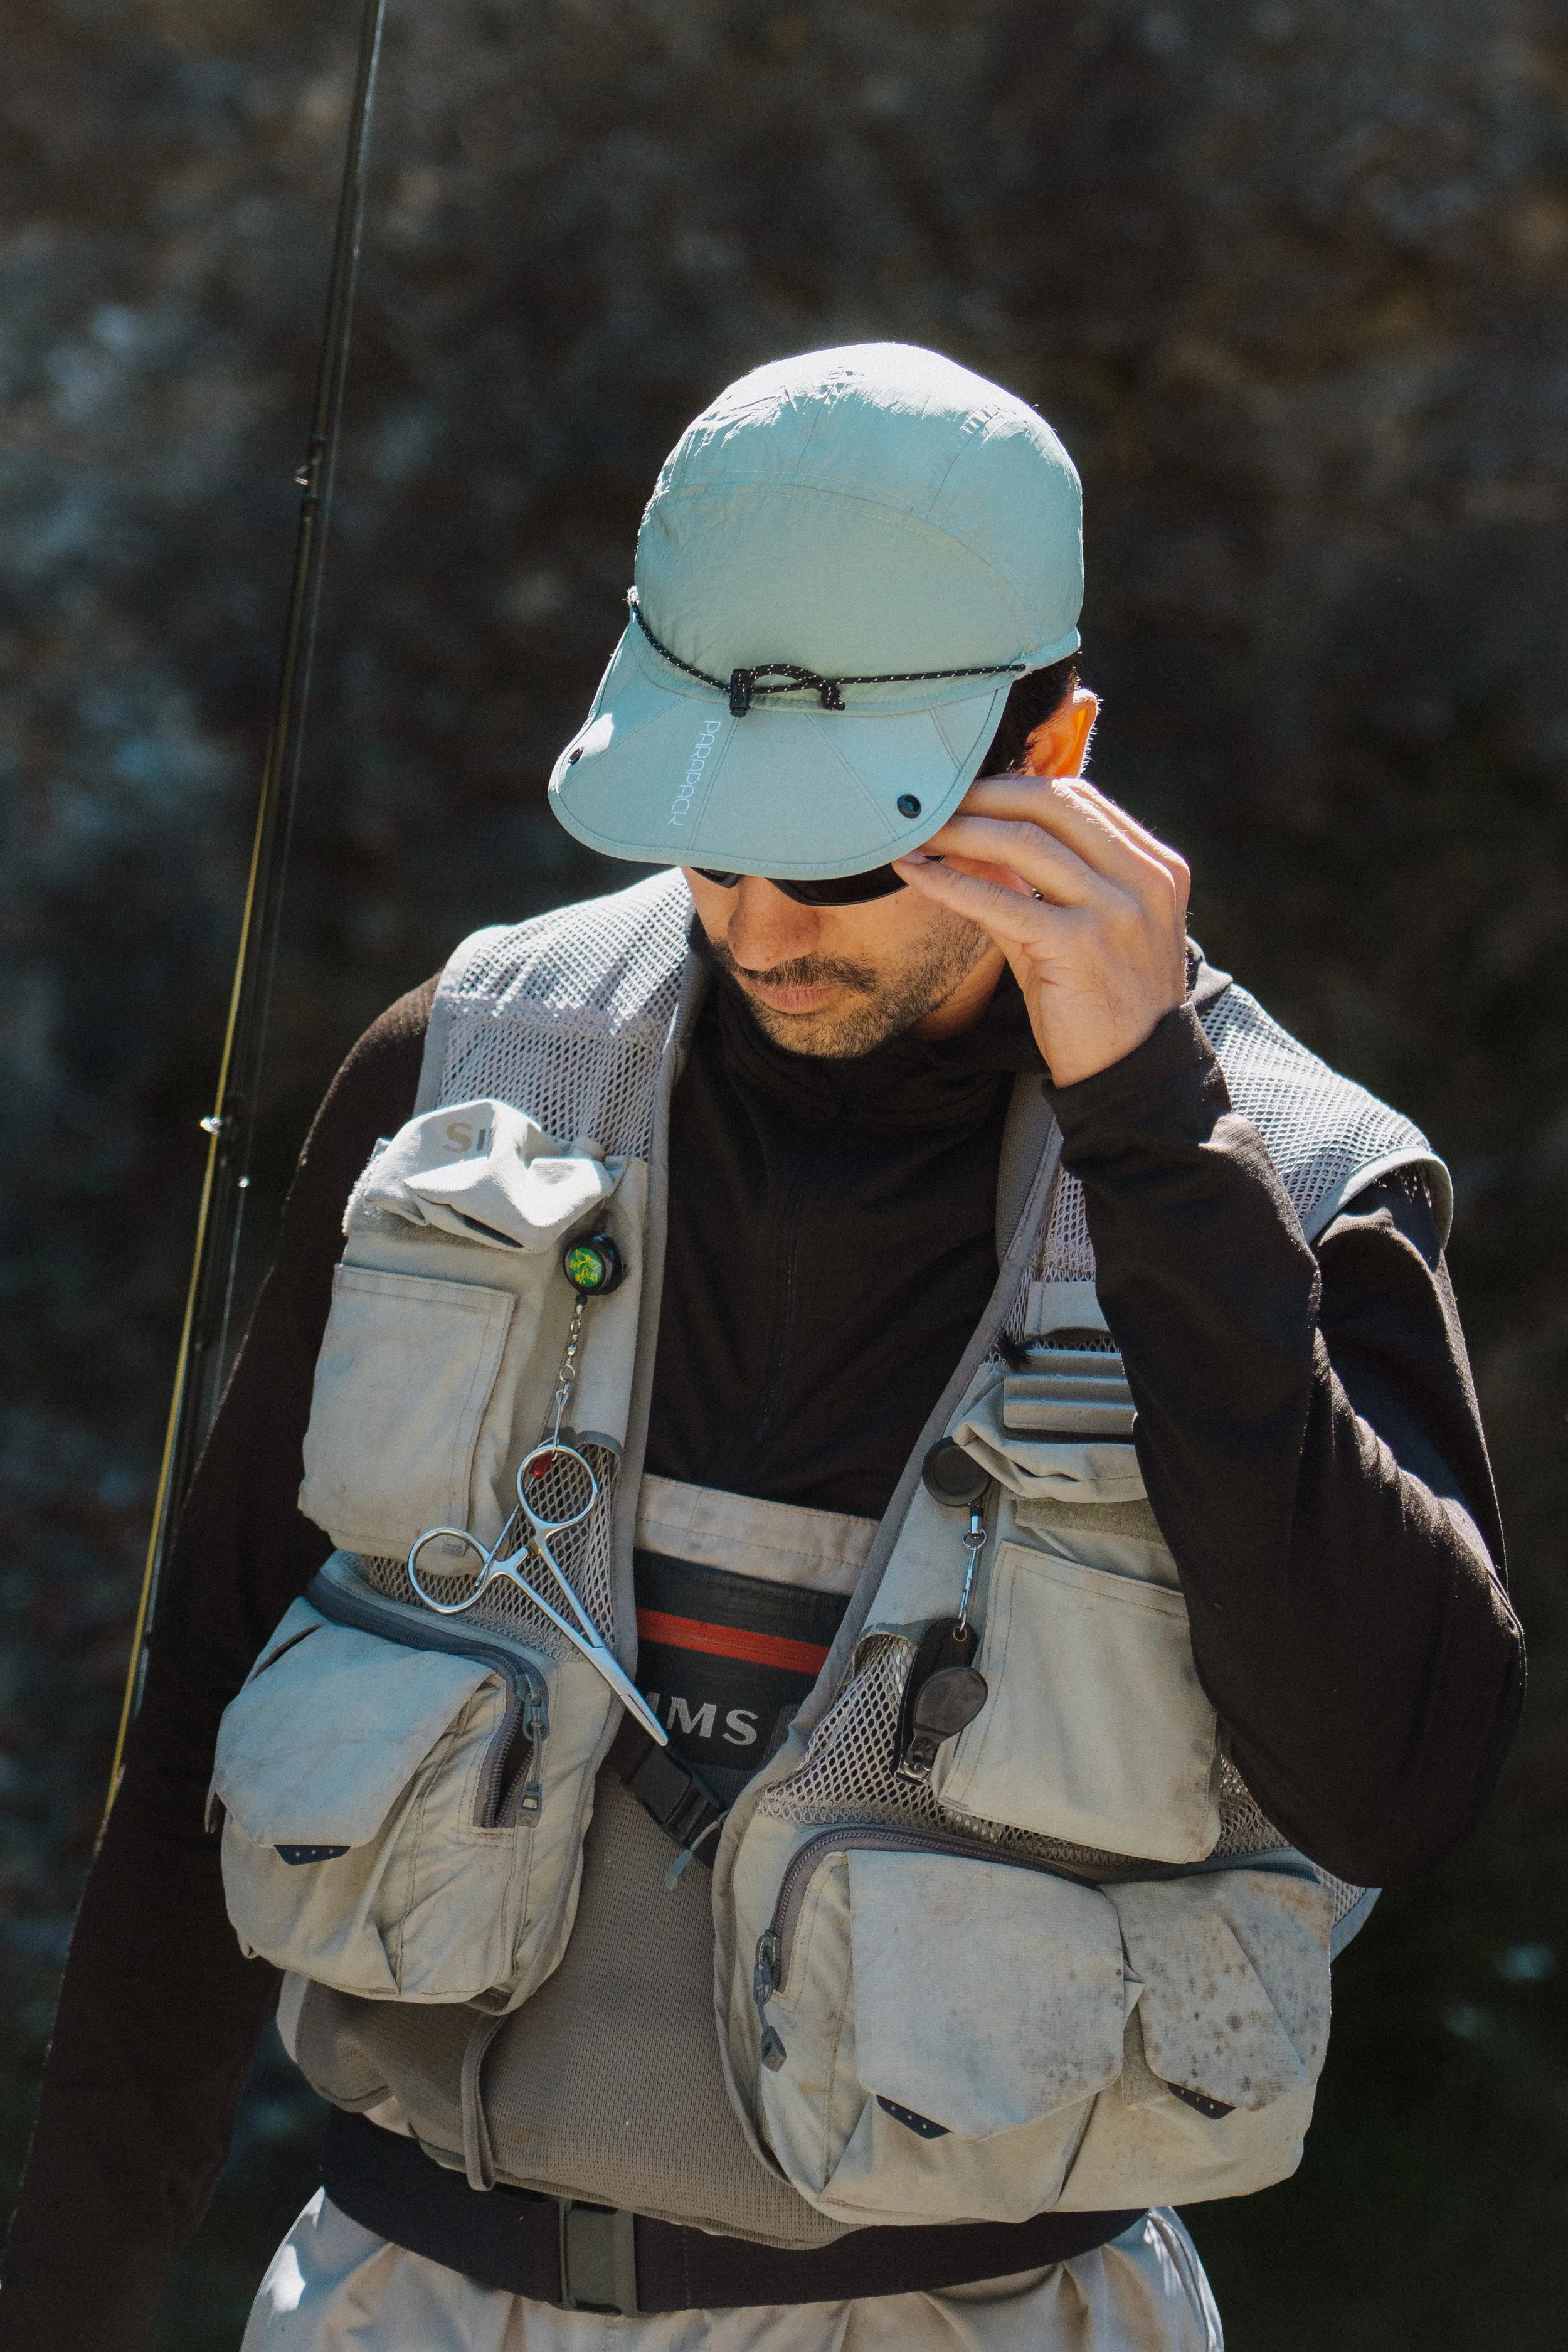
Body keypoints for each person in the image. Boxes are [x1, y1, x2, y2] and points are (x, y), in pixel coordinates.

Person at [0, 344, 1523, 2352]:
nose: (756, 926)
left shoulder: (1296, 1183)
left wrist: (1155, 1137)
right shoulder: (458, 1073)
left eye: (834, 856)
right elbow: (200, 1706)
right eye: (709, 840)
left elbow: (1397, 1782)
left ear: (1050, 750)